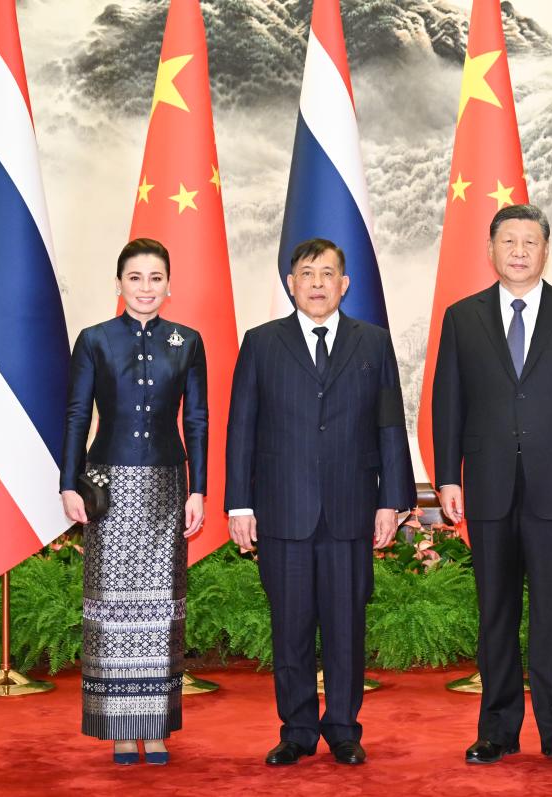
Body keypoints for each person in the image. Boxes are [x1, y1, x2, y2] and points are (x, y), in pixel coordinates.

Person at [432, 204, 552, 768]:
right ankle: (497, 729)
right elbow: (448, 404)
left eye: (530, 241)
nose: (519, 250)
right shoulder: (462, 318)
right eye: (508, 240)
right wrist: (446, 476)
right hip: (488, 486)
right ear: (491, 250)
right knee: (495, 613)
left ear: (546, 251)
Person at [225, 238, 414, 767]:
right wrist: (239, 503)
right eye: (306, 273)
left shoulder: (372, 343)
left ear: (343, 284)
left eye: (327, 274)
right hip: (283, 509)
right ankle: (297, 729)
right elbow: (241, 428)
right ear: (291, 283)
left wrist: (391, 501)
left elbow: (388, 425)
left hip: (351, 510)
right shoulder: (261, 343)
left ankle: (345, 729)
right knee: (290, 625)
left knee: (346, 625)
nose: (316, 283)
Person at [60, 238, 207, 765]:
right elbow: (77, 415)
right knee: (116, 608)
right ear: (119, 284)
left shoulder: (187, 341)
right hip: (109, 488)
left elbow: (197, 421)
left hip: (167, 487)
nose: (146, 288)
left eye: (156, 278)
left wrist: (199, 489)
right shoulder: (95, 340)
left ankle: (157, 724)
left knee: (159, 610)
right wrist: (68, 483)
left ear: (169, 285)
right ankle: (122, 727)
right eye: (135, 278)